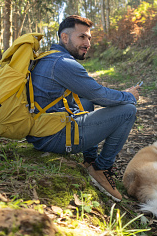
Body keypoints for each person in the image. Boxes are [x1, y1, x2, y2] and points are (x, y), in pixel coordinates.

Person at [26, 15, 140, 201]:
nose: (87, 43)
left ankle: (89, 160)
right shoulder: (63, 64)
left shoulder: (48, 58)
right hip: (53, 138)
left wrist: (118, 93)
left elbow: (91, 94)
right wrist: (129, 96)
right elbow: (100, 95)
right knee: (128, 111)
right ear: (64, 38)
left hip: (40, 132)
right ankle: (101, 168)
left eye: (89, 38)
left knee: (85, 100)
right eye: (82, 37)